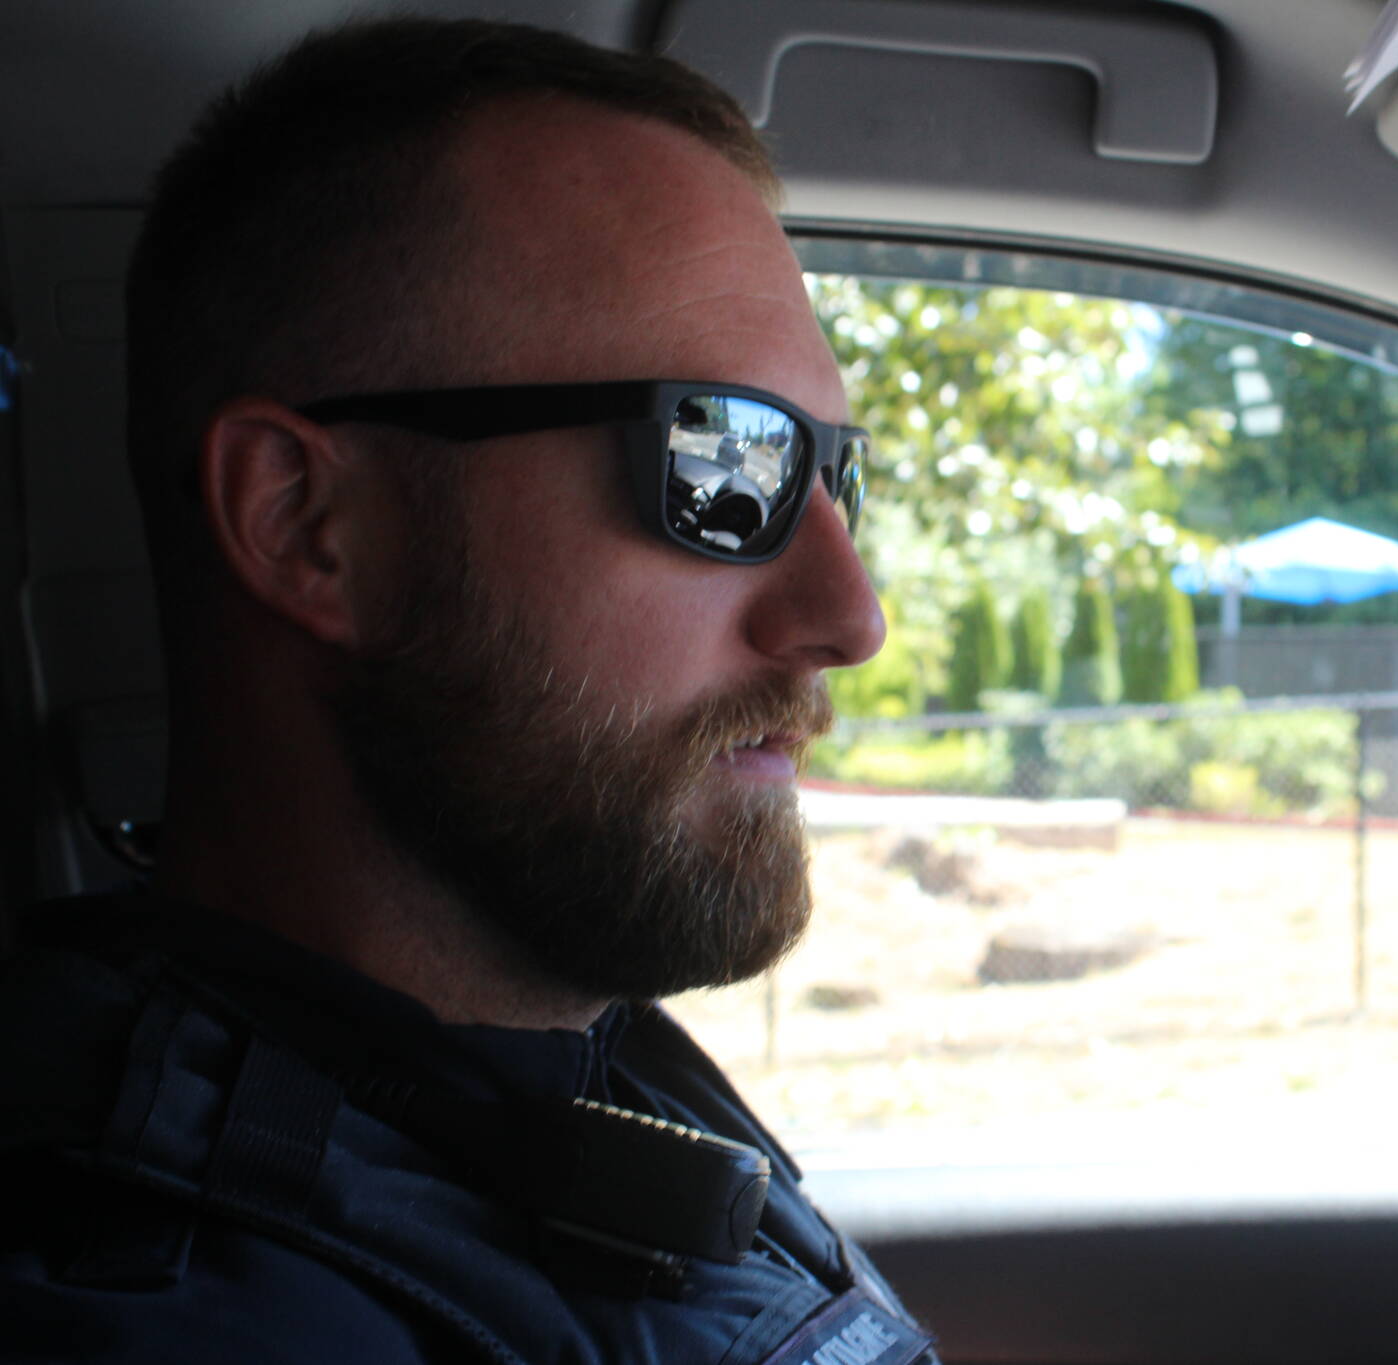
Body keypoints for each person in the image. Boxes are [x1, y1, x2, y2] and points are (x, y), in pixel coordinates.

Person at [0, 18, 934, 1364]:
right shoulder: (190, 1317)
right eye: (723, 462)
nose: (853, 617)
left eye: (829, 473)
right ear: (308, 522)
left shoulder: (551, 1081)